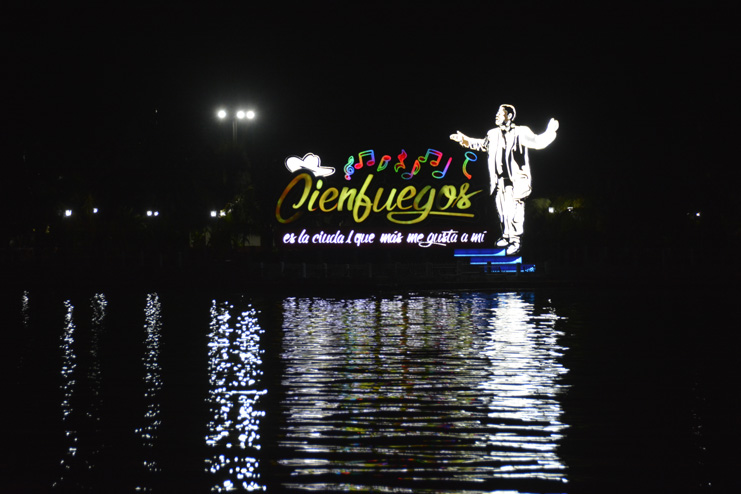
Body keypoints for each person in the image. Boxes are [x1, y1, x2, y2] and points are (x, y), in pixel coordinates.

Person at [451, 104, 558, 255]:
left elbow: (537, 142)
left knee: (514, 211)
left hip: (516, 180)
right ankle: (506, 236)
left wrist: (550, 131)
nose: (496, 115)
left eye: (500, 113)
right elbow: (482, 145)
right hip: (499, 180)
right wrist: (465, 140)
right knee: (502, 211)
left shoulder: (521, 131)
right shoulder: (492, 133)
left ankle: (516, 241)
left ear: (509, 116)